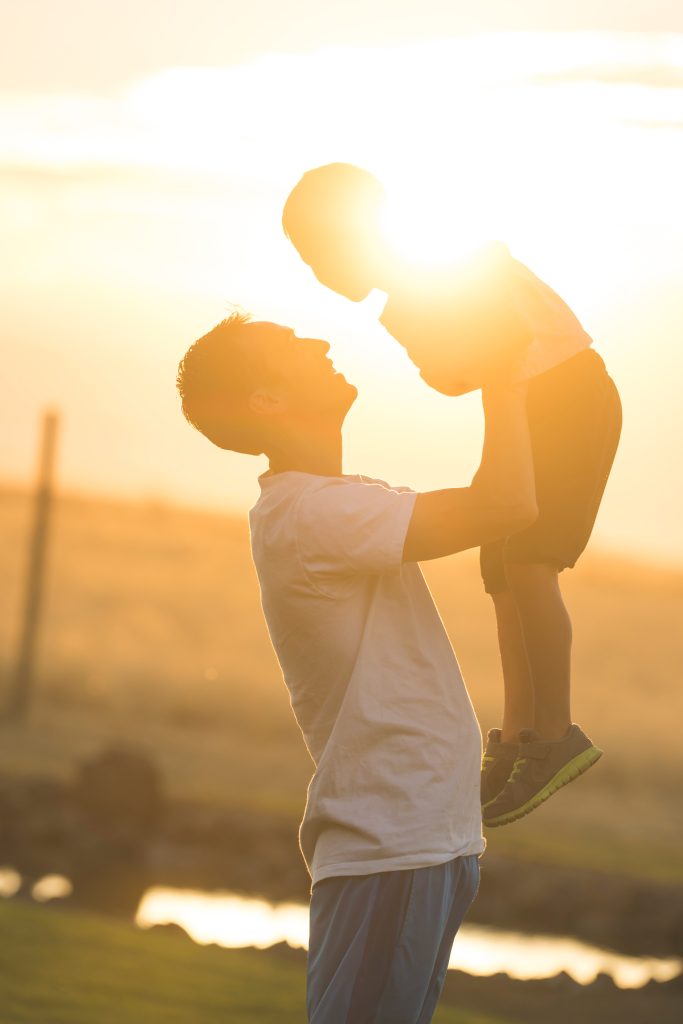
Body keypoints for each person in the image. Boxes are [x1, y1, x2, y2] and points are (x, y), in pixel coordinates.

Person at [176, 311, 537, 1022]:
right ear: (267, 403)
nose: (317, 342)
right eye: (288, 346)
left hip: (424, 840)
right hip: (393, 842)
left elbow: (505, 507)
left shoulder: (331, 505)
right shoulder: (315, 516)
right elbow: (506, 503)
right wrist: (503, 376)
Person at [282, 162, 623, 828]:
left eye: (318, 254)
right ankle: (518, 735)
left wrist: (482, 348)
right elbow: (455, 374)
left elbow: (495, 348)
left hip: (572, 399)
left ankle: (555, 734)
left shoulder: (455, 266)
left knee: (528, 562)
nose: (318, 272)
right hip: (527, 411)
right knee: (498, 570)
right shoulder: (404, 302)